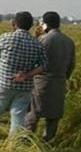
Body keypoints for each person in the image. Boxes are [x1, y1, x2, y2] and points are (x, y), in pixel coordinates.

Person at [0, 11, 47, 150]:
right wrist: (26, 75)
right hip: (24, 87)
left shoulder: (6, 38)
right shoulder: (37, 44)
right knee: (18, 118)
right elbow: (43, 66)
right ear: (31, 25)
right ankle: (13, 149)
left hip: (3, 83)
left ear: (14, 24)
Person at [25, 11, 76, 142]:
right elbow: (72, 64)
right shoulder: (69, 41)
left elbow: (33, 60)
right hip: (59, 82)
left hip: (42, 81)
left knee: (34, 112)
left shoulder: (43, 39)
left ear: (45, 24)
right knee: (54, 115)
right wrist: (64, 77)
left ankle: (26, 139)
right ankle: (47, 141)